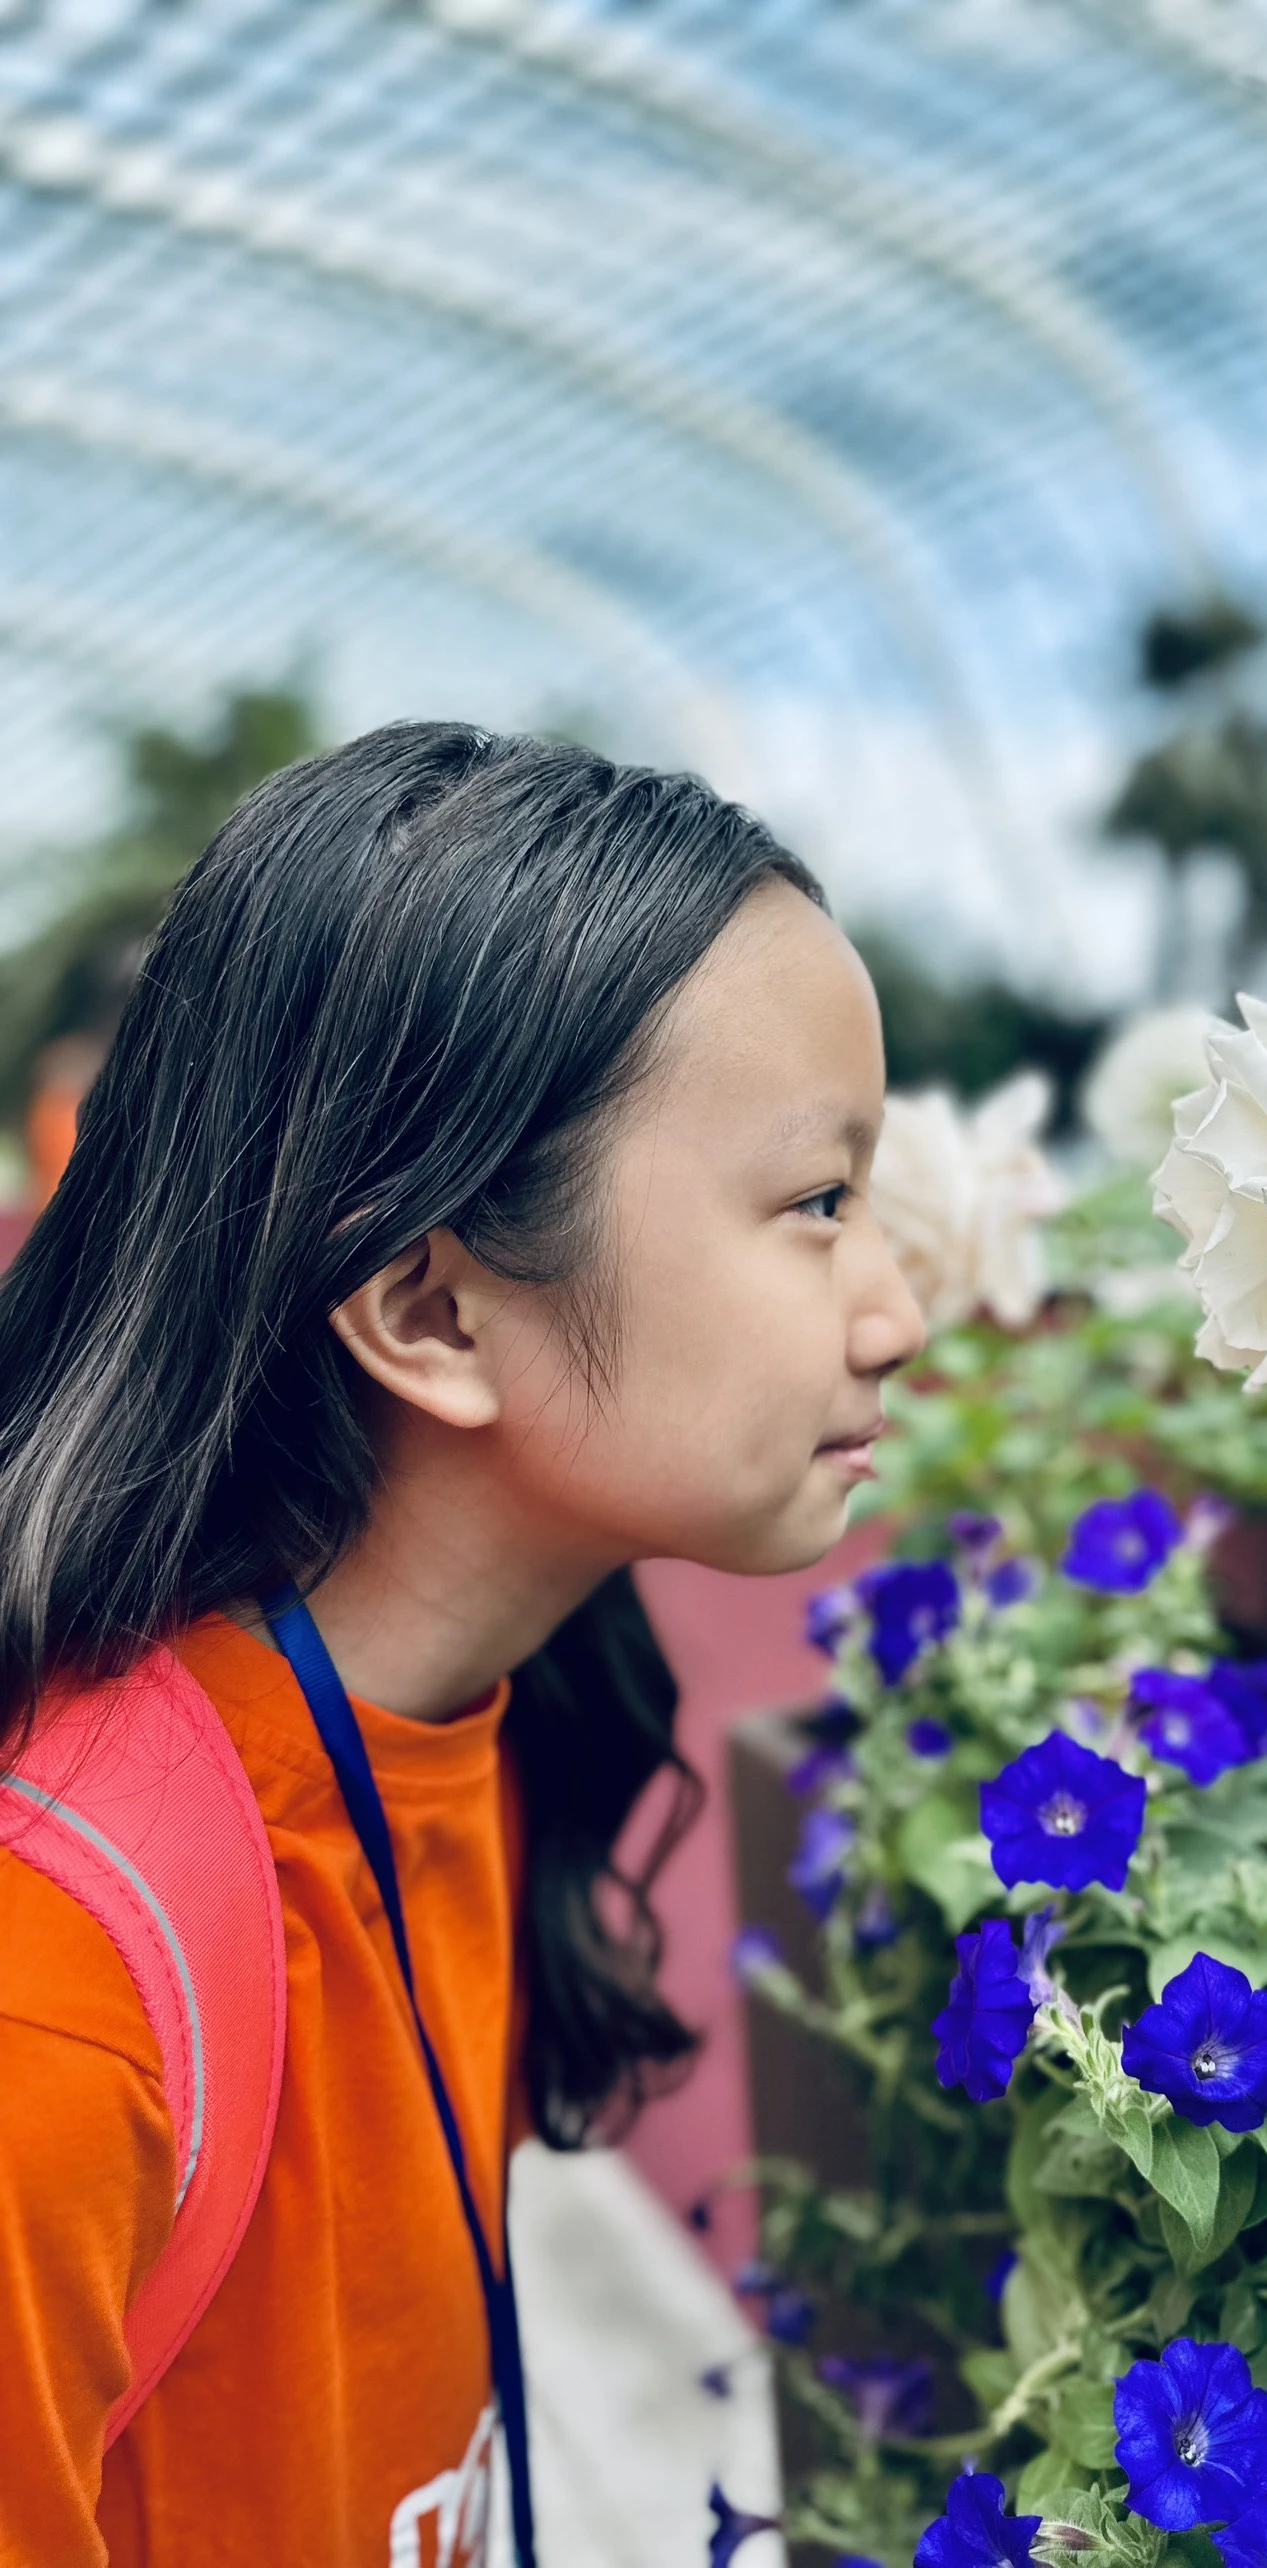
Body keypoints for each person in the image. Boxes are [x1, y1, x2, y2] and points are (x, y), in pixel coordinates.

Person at [0, 723, 926, 2567]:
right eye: (815, 1205)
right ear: (431, 1311)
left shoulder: (487, 1724)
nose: (896, 1309)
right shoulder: (59, 2012)